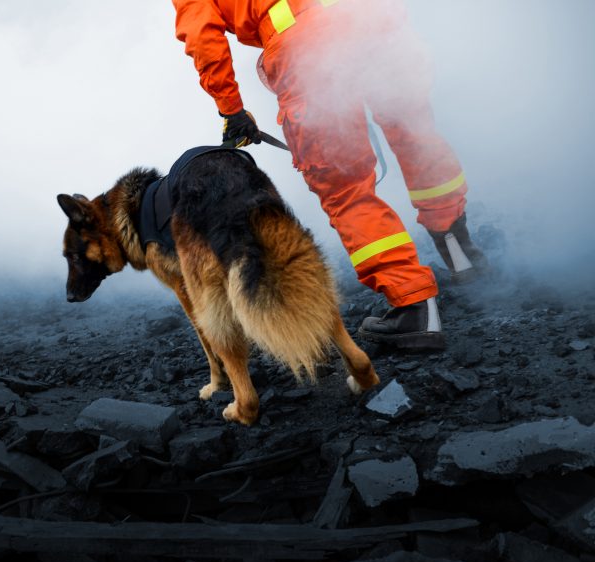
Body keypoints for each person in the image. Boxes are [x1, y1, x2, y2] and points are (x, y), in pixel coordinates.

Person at [172, 0, 486, 350]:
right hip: (372, 21)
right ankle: (460, 249)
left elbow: (203, 37)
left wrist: (231, 109)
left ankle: (414, 306)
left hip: (307, 45)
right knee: (416, 137)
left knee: (345, 186)